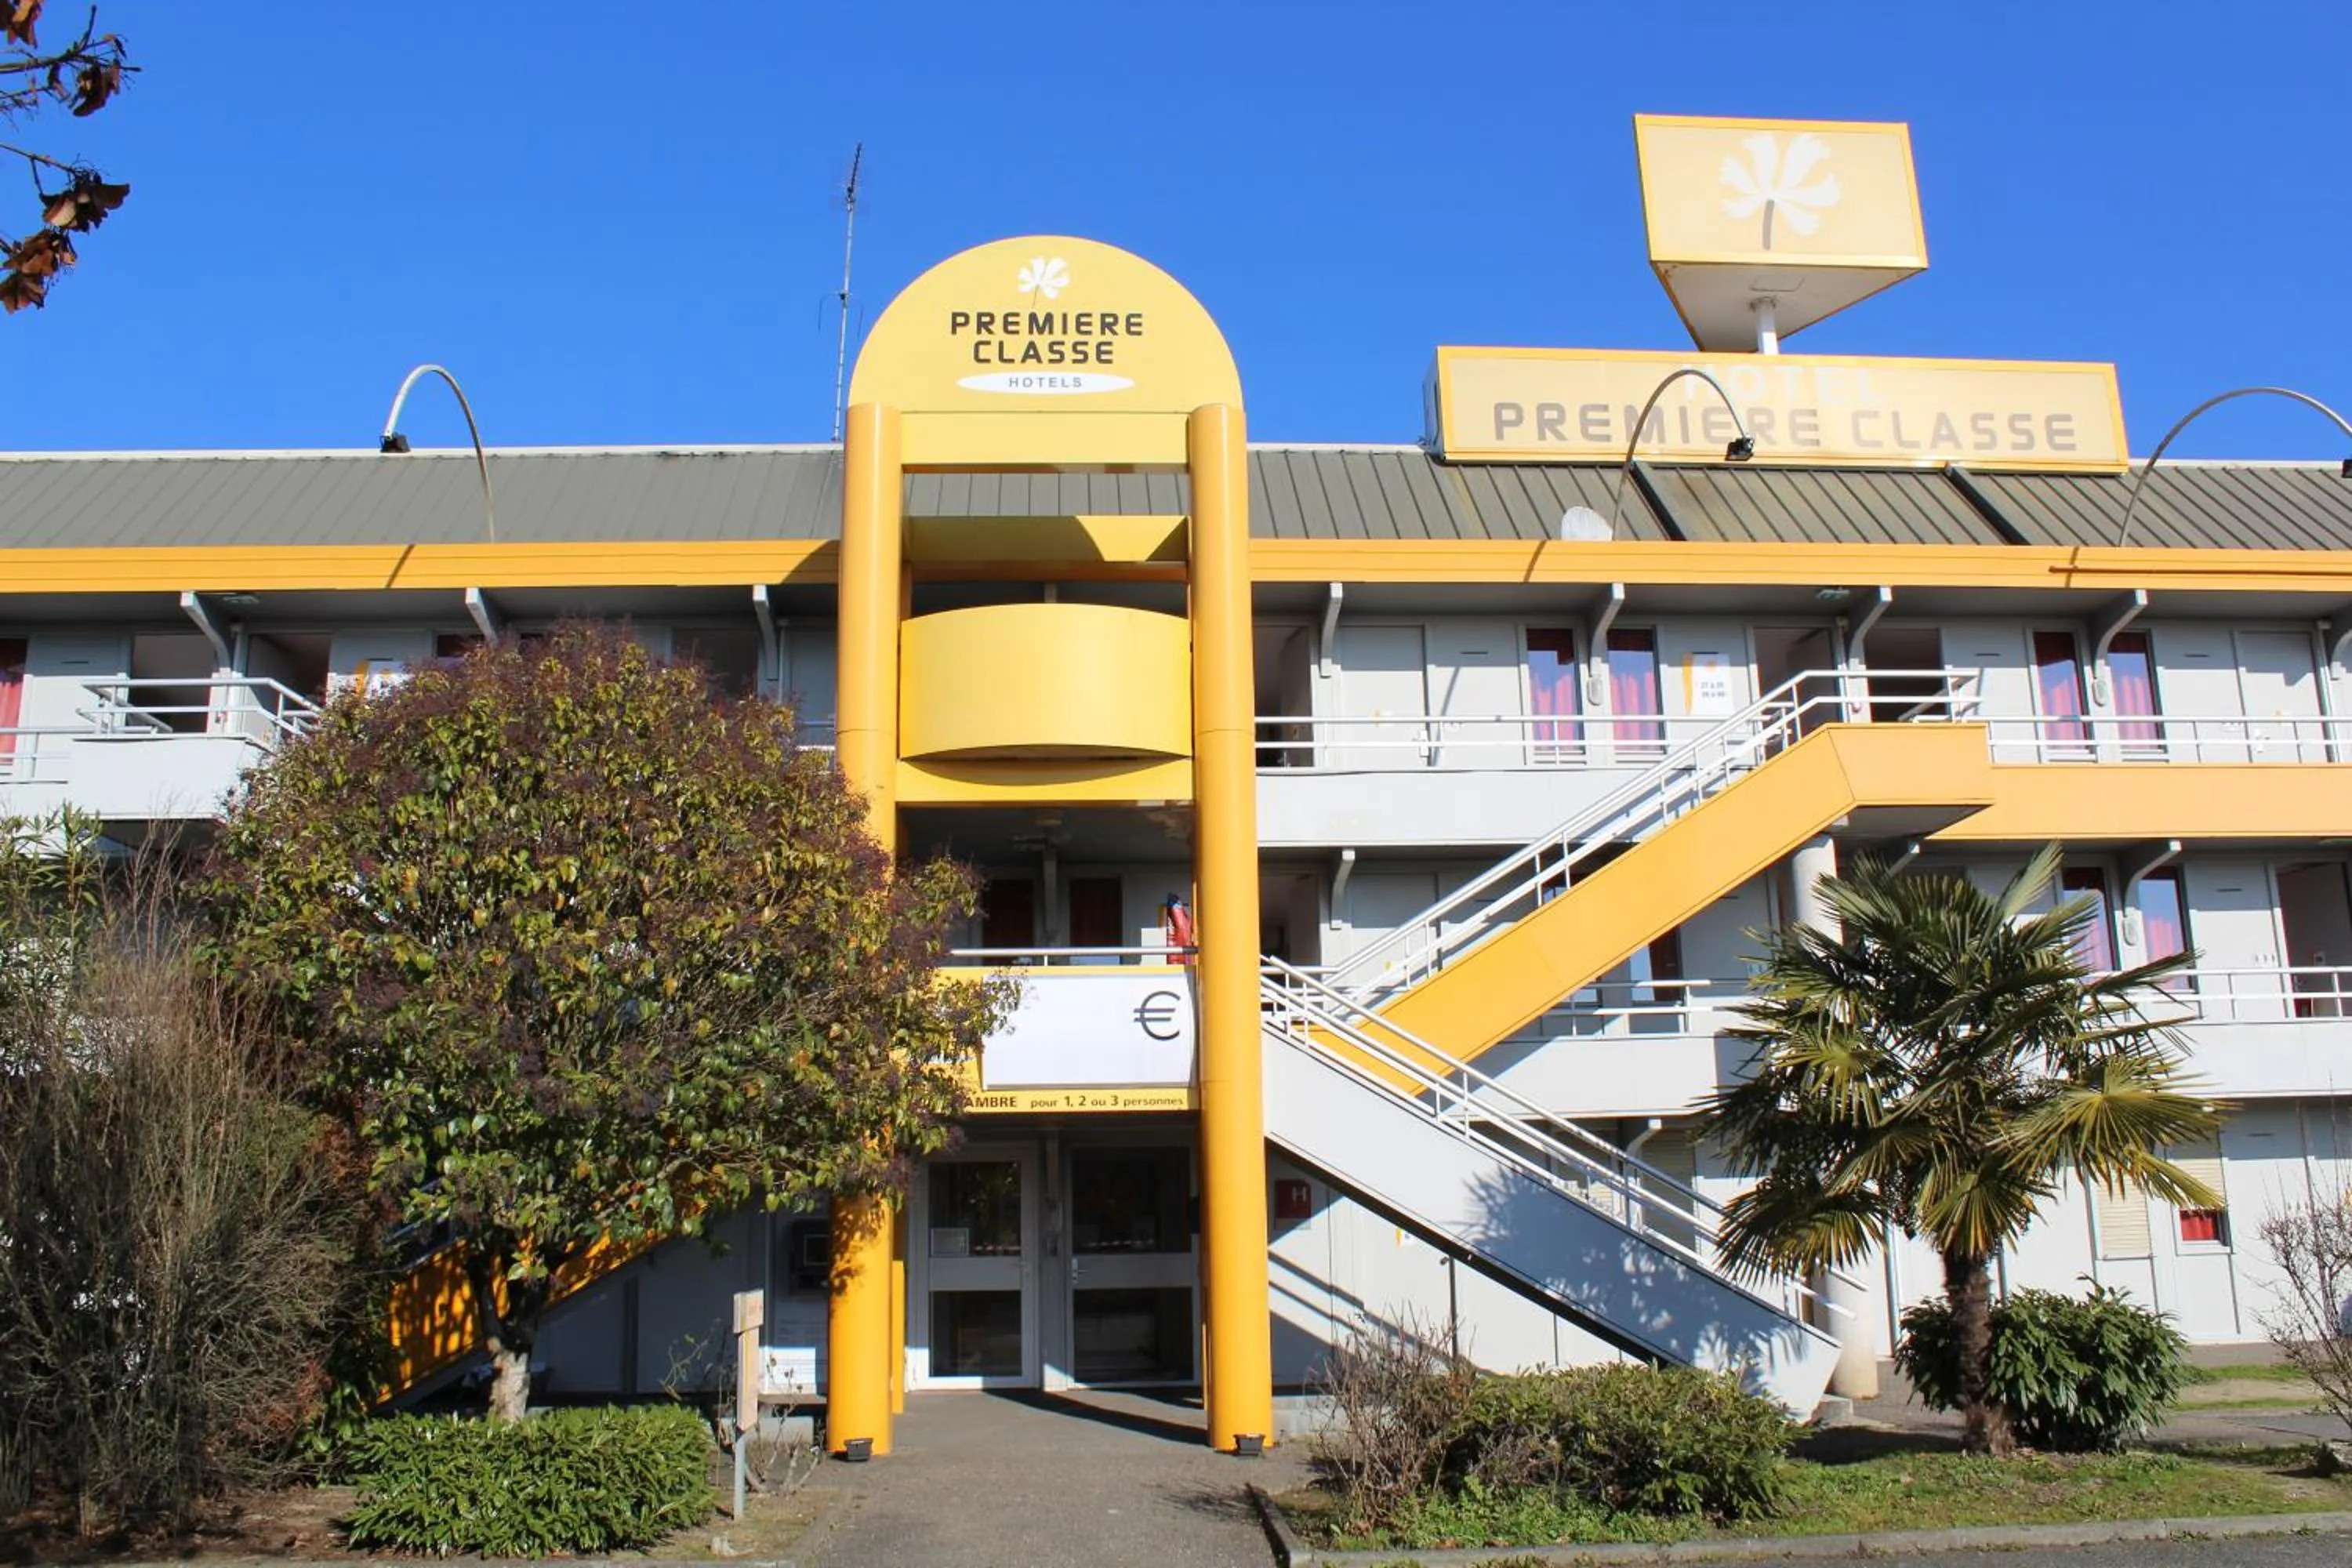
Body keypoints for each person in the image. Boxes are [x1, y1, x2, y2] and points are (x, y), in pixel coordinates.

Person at [1160, 893, 1196, 966]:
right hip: (1180, 959)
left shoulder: (1177, 915)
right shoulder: (1178, 914)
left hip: (1178, 959)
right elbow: (1183, 929)